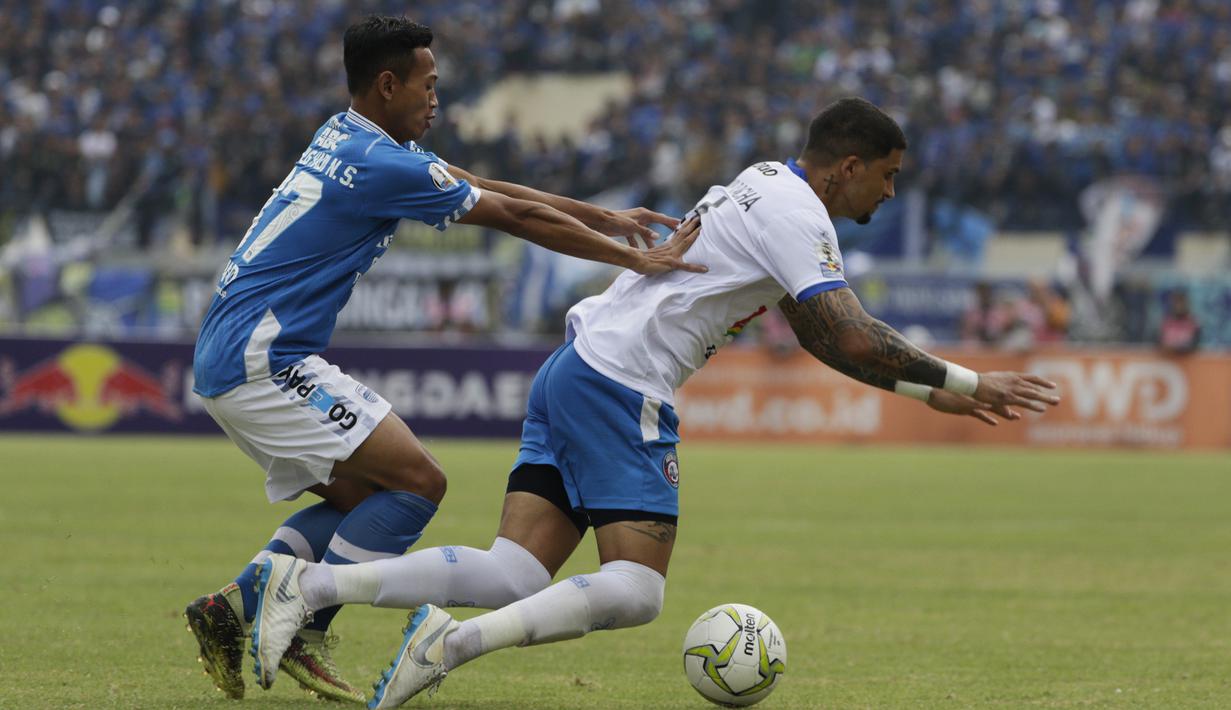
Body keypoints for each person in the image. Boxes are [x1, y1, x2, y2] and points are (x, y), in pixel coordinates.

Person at [244, 97, 1061, 709]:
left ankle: (305, 587)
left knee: (512, 572)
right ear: (848, 166)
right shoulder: (796, 211)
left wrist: (923, 392)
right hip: (621, 384)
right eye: (887, 175)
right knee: (636, 592)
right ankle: (439, 642)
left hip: (576, 367)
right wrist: (966, 382)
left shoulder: (762, 185)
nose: (889, 193)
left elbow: (817, 336)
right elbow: (848, 333)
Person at [182, 15, 705, 704]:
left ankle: (228, 611)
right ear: (388, 83)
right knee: (418, 482)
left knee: (367, 495)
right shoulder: (382, 164)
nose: (437, 99)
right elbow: (510, 218)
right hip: (262, 358)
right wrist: (637, 258)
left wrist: (599, 216)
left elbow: (473, 181)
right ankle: (302, 620)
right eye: (427, 86)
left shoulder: (348, 136)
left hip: (236, 350)